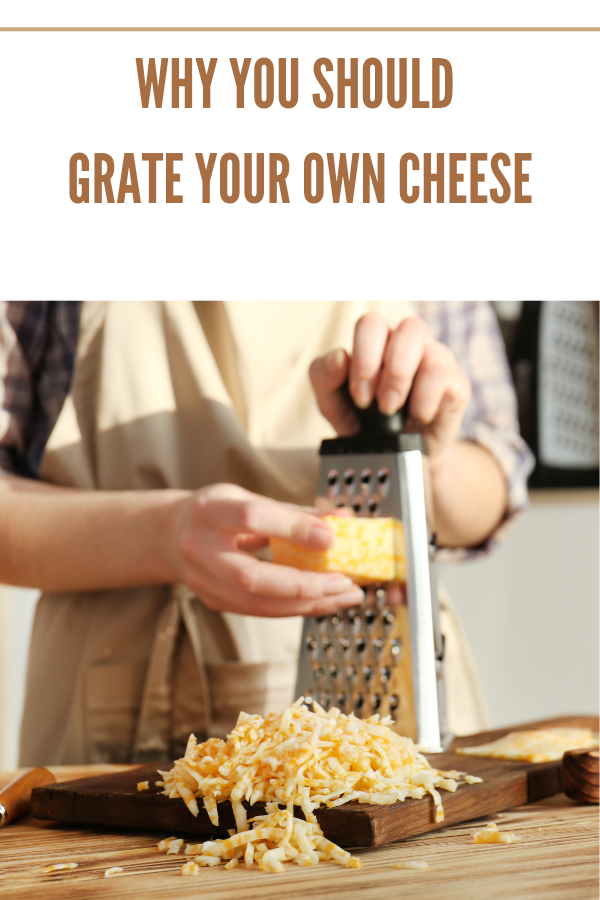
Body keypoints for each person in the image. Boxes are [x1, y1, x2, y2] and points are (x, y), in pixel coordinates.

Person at [0, 301, 533, 765]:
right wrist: (162, 536)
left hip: (398, 693)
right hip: (120, 697)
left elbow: (496, 478)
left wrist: (423, 460)